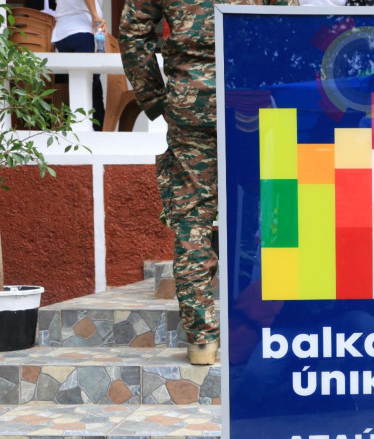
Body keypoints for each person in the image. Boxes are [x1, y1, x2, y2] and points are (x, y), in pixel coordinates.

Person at [119, 0, 296, 364]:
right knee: (278, 207)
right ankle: (278, 327)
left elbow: (133, 32)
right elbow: (288, 21)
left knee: (194, 222)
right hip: (252, 98)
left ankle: (202, 341)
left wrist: (155, 99)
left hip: (191, 103)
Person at [51, 0, 106, 131]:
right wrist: (95, 16)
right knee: (89, 85)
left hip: (63, 33)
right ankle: (92, 133)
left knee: (79, 85)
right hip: (82, 29)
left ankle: (74, 130)